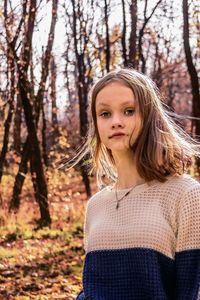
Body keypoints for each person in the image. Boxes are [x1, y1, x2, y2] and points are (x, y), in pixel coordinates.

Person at [73, 68, 200, 300]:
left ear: (149, 117)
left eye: (129, 111)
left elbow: (191, 291)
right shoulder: (96, 205)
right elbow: (92, 289)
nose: (116, 122)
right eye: (105, 114)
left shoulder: (185, 194)